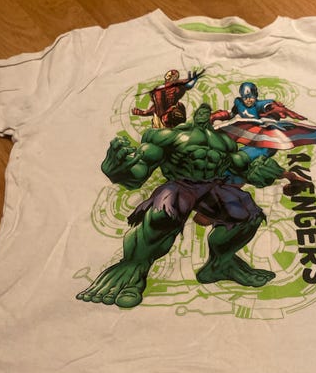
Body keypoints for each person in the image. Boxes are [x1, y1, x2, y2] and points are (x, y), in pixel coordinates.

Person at [77, 104, 284, 308]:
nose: (204, 112)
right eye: (201, 111)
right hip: (181, 184)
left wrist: (259, 174)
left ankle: (221, 264)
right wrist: (119, 170)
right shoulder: (168, 136)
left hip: (212, 186)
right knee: (162, 216)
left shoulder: (225, 143)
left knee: (249, 214)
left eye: (207, 111)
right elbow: (140, 170)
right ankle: (132, 272)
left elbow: (243, 169)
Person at [132, 69, 204, 127]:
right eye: (169, 74)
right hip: (161, 119)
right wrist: (142, 112)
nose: (169, 75)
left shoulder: (177, 90)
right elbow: (156, 107)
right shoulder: (159, 92)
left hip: (171, 116)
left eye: (172, 74)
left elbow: (186, 86)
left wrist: (189, 82)